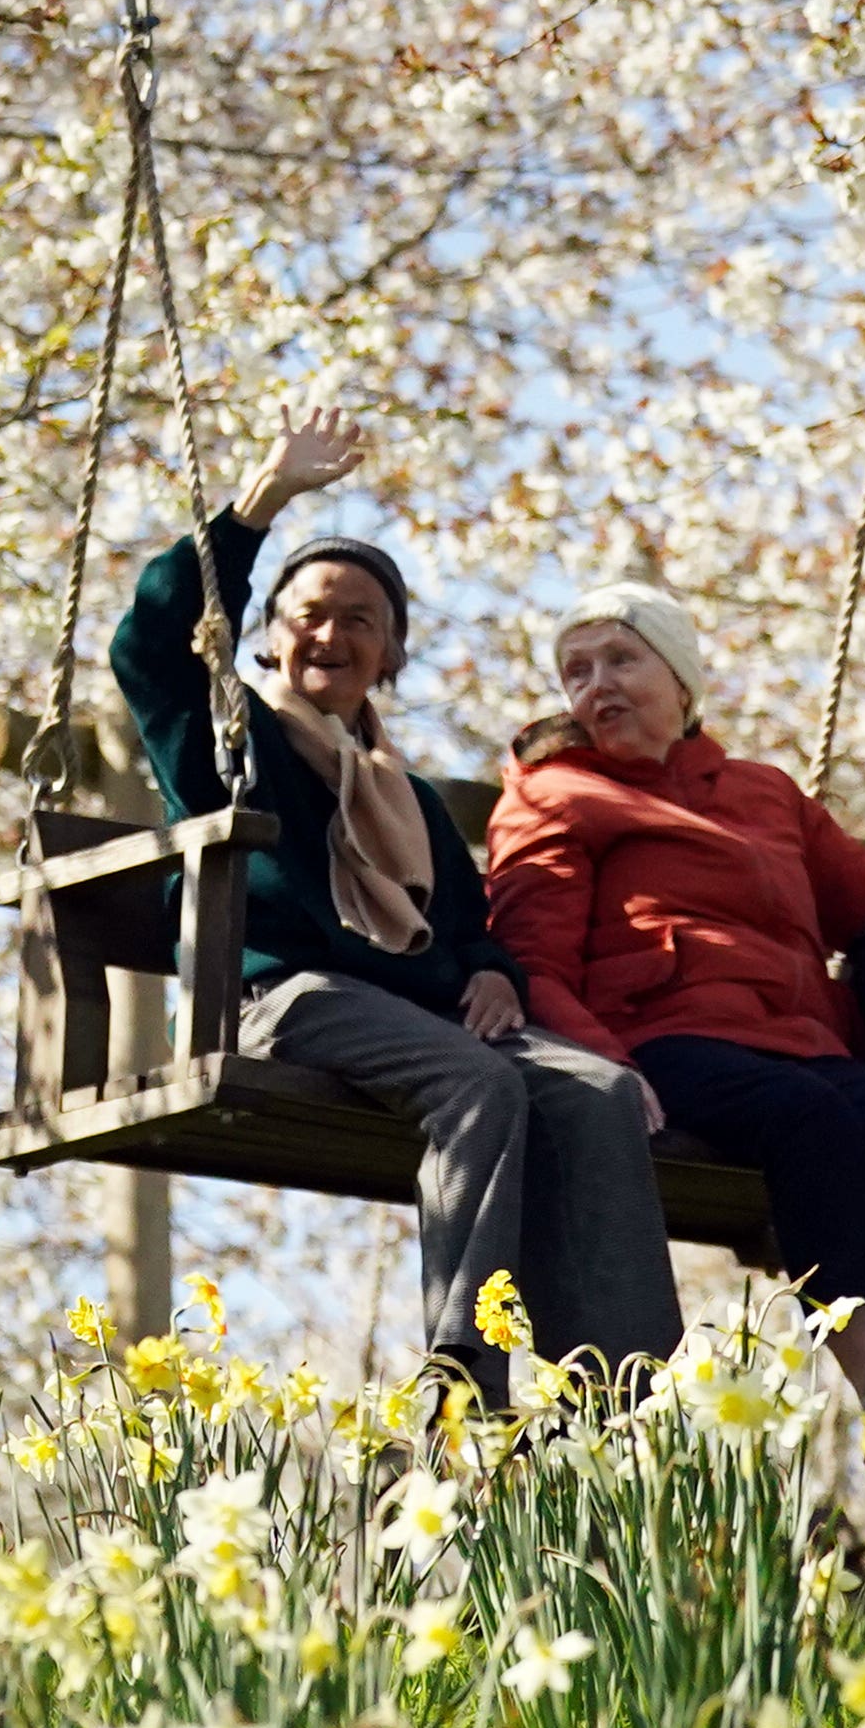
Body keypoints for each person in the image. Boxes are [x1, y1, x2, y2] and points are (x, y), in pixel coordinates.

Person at [108, 407, 682, 1385]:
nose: (331, 634)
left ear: (391, 654)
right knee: (481, 1083)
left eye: (360, 621)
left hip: (416, 1019)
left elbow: (467, 926)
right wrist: (259, 504)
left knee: (601, 1089)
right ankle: (465, 1368)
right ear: (269, 635)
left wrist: (496, 971)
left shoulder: (404, 796)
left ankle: (612, 1382)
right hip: (283, 998)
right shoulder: (230, 740)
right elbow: (150, 648)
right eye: (311, 614)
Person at [481, 582, 865, 1399]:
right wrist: (605, 1068)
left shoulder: (763, 793)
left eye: (620, 660)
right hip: (666, 1040)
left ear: (681, 680)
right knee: (807, 1121)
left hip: (797, 1038)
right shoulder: (554, 794)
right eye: (576, 671)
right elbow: (534, 961)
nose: (595, 685)